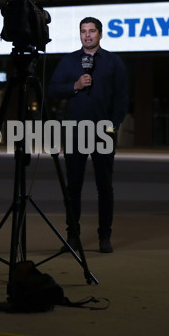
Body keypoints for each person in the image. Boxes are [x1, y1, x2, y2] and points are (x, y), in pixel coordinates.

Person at [48, 17, 128, 253]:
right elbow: (52, 89)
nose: (87, 35)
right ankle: (72, 236)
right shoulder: (69, 61)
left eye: (92, 31)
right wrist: (75, 85)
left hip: (103, 131)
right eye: (83, 31)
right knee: (73, 186)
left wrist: (113, 125)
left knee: (104, 186)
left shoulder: (114, 63)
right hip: (76, 130)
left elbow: (122, 98)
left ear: (100, 34)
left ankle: (105, 236)